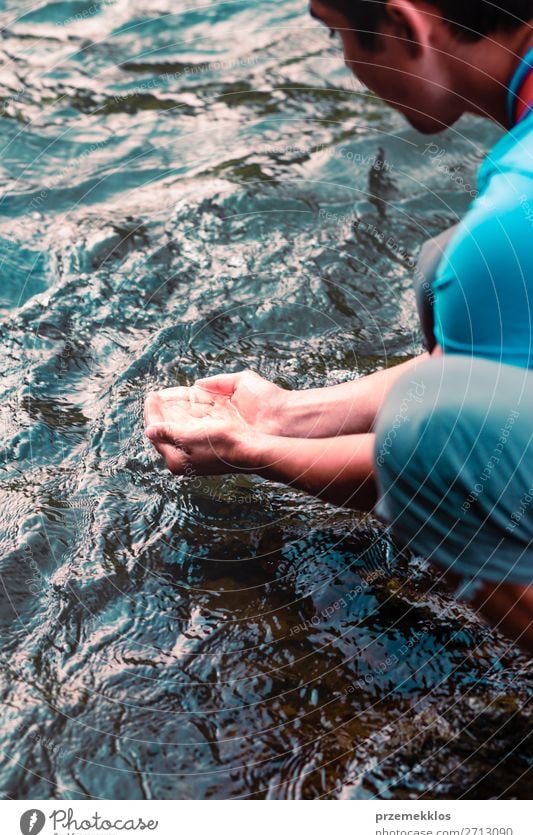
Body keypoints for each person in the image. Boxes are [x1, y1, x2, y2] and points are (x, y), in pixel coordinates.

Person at [145, 0, 533, 654]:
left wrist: (258, 455)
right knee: (445, 271)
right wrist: (283, 415)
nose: (345, 62)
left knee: (426, 434)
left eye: (336, 34)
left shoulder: (513, 216)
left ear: (404, 26)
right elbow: (503, 376)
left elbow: (447, 455)